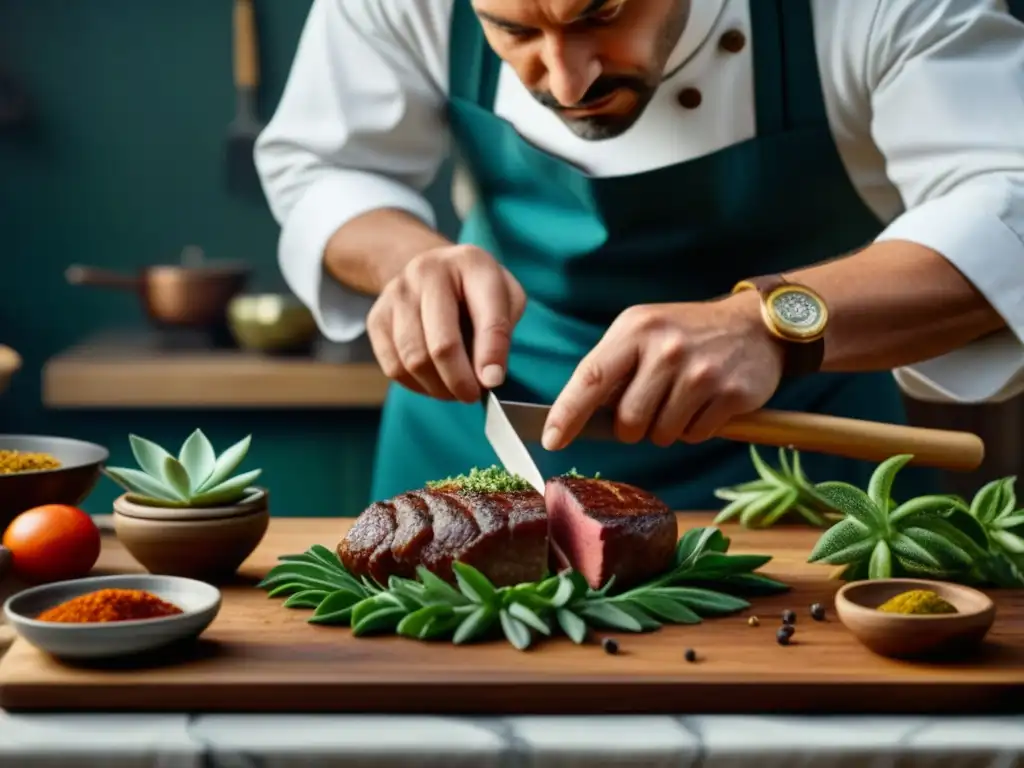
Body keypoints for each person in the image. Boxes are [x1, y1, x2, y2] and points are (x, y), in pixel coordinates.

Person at [255, 0, 1024, 510]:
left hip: (799, 453)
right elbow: (325, 163)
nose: (567, 80)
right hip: (484, 428)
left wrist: (768, 325)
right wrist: (409, 261)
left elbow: (1010, 194)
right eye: (513, 30)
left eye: (605, 12)